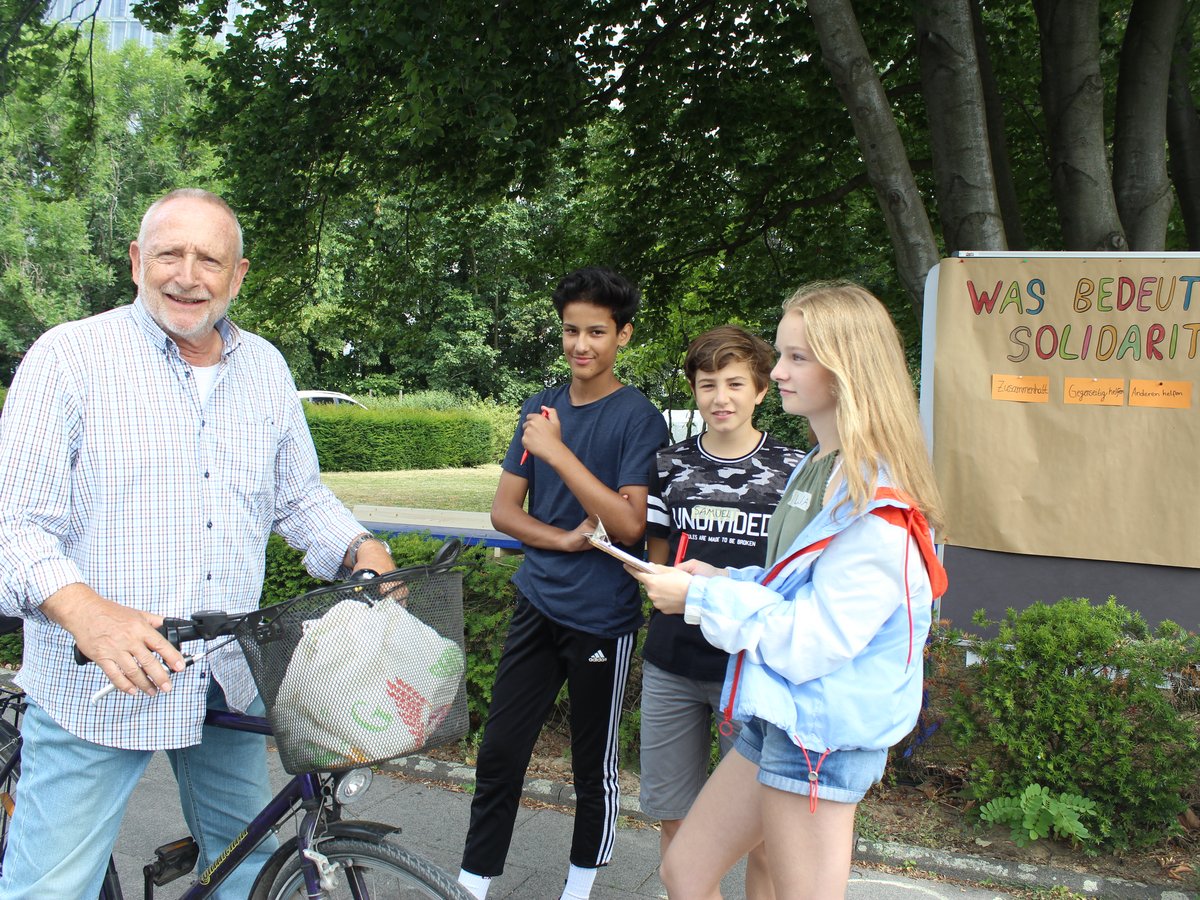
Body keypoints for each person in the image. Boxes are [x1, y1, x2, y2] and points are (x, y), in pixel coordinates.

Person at [0, 188, 395, 899]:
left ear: (237, 275)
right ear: (135, 262)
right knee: (50, 889)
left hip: (222, 673)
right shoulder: (68, 358)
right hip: (97, 679)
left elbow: (298, 497)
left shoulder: (267, 369)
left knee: (247, 869)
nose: (188, 275)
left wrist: (359, 549)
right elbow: (16, 525)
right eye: (169, 254)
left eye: (208, 258)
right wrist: (90, 613)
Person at [632, 281, 947, 898]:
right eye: (781, 354)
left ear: (847, 367)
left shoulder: (878, 511)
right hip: (780, 713)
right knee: (685, 868)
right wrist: (721, 578)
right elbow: (791, 586)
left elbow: (814, 641)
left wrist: (698, 600)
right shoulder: (820, 466)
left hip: (820, 740)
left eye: (796, 357)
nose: (775, 372)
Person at [458, 266, 670, 900]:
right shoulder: (540, 407)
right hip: (537, 600)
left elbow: (630, 524)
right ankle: (472, 882)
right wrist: (563, 539)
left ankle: (577, 889)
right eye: (571, 330)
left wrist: (556, 453)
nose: (582, 345)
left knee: (592, 767)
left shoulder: (638, 418)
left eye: (597, 332)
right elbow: (505, 513)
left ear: (623, 336)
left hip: (601, 616)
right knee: (499, 752)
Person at [641, 326, 802, 899]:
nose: (720, 397)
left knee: (764, 830)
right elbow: (657, 554)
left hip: (753, 668)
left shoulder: (795, 469)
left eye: (735, 383)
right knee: (675, 815)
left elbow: (797, 575)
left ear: (761, 388)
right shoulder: (669, 463)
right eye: (707, 384)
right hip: (672, 663)